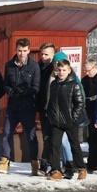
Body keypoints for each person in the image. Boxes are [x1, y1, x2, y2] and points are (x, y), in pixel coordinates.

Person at [0, 38, 41, 175]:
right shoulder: (9, 65)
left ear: (29, 50)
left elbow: (36, 87)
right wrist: (9, 90)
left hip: (27, 106)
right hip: (13, 105)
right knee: (6, 133)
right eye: (19, 51)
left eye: (24, 51)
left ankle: (34, 162)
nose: (22, 54)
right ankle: (5, 161)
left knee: (30, 135)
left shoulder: (34, 66)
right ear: (16, 50)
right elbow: (5, 83)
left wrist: (25, 91)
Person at [46, 59, 87, 181]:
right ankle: (56, 170)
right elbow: (51, 102)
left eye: (64, 70)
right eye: (59, 70)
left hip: (70, 121)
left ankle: (81, 168)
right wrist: (51, 115)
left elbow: (80, 103)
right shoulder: (54, 84)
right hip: (56, 121)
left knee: (74, 145)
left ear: (69, 71)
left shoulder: (74, 85)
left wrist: (73, 118)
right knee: (54, 144)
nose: (61, 72)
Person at [36, 42, 56, 176]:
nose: (43, 57)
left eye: (46, 54)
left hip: (53, 108)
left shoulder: (55, 69)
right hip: (42, 106)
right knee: (46, 137)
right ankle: (45, 164)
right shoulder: (38, 67)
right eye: (42, 54)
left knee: (54, 138)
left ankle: (53, 164)